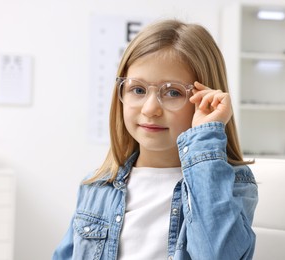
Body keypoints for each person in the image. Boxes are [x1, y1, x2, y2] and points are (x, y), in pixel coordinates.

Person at [53, 19, 258, 260]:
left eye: (173, 92)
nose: (150, 109)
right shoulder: (97, 185)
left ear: (207, 99)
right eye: (138, 90)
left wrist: (205, 136)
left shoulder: (233, 183)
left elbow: (218, 255)